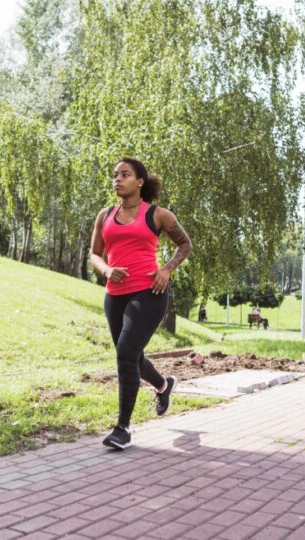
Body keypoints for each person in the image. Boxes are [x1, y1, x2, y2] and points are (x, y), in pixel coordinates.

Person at [89, 157, 193, 450]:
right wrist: (107, 270)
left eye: (125, 175)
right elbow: (94, 253)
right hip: (114, 295)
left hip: (149, 293)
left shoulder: (158, 215)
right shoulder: (105, 215)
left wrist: (167, 269)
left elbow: (185, 244)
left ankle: (122, 428)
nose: (117, 180)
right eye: (115, 175)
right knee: (132, 356)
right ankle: (163, 385)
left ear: (139, 182)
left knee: (126, 352)